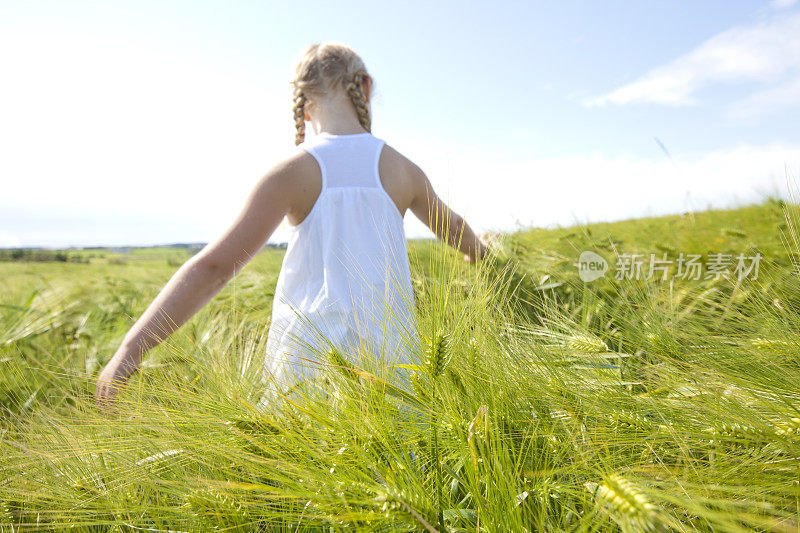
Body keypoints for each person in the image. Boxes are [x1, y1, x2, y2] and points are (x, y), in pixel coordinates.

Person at [95, 41, 488, 406]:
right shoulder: (403, 169)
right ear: (365, 88)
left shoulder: (292, 172)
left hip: (306, 373)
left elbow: (213, 269)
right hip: (395, 372)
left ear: (302, 104)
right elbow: (454, 229)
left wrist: (132, 348)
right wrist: (482, 255)